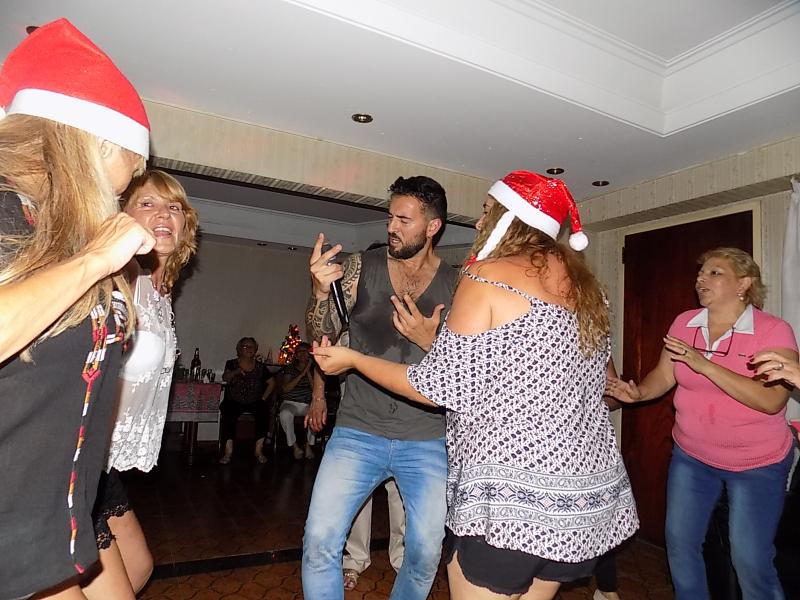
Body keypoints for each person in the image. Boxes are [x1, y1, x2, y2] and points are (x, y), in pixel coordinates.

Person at [313, 170, 638, 600]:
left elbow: (437, 388)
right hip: (579, 503)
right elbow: (566, 382)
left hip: (510, 502)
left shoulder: (485, 276)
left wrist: (354, 359)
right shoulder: (588, 289)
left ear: (510, 219)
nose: (480, 221)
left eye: (488, 211)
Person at [0, 19, 155, 600]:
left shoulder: (50, 230)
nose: (127, 190)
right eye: (129, 171)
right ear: (98, 144)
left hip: (51, 510)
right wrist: (93, 261)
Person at [606, 247, 798, 600]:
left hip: (757, 463)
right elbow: (665, 374)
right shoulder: (684, 323)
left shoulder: (774, 330)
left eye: (714, 272)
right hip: (692, 456)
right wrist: (639, 393)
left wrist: (705, 364)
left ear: (744, 283)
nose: (700, 279)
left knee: (750, 559)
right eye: (700, 273)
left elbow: (772, 401)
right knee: (680, 544)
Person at [302, 175, 459, 600]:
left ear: (433, 227)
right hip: (357, 430)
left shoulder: (458, 284)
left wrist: (431, 340)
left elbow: (468, 366)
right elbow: (322, 335)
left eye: (404, 220)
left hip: (427, 437)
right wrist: (320, 292)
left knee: (424, 554)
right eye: (390, 217)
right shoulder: (360, 267)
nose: (391, 227)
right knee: (319, 542)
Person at [81, 170, 198, 598]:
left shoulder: (159, 288)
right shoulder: (120, 278)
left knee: (140, 567)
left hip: (103, 468)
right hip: (75, 462)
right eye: (147, 203)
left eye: (174, 207)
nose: (163, 214)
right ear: (122, 215)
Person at [219, 337, 276, 464]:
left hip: (254, 400)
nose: (249, 349)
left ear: (255, 350)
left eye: (252, 347)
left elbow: (272, 382)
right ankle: (228, 451)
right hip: (234, 400)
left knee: (263, 410)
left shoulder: (260, 367)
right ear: (239, 349)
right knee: (228, 411)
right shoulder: (231, 363)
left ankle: (258, 450)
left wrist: (263, 398)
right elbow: (226, 378)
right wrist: (236, 372)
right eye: (245, 346)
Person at [278, 341, 317, 459]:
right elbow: (285, 388)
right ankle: (295, 447)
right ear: (295, 355)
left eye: (305, 351)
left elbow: (315, 389)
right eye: (300, 351)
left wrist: (308, 370)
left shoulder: (315, 369)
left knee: (315, 414)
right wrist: (302, 374)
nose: (303, 353)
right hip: (290, 402)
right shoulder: (290, 368)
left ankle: (309, 446)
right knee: (285, 414)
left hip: (307, 403)